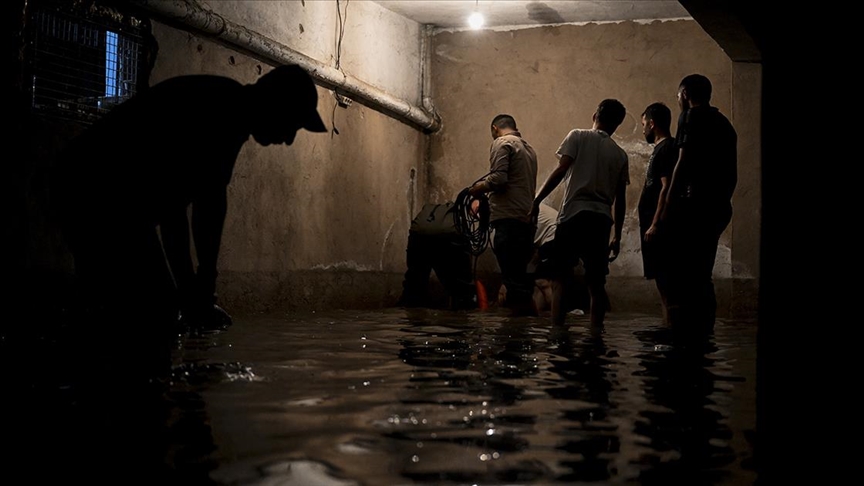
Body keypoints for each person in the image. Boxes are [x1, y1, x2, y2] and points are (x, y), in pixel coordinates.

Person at [51, 64, 327, 332]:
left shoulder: (231, 111)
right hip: (95, 192)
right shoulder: (222, 111)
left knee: (125, 307)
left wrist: (203, 284)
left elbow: (210, 204)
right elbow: (175, 211)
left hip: (99, 193)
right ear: (275, 104)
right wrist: (192, 291)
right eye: (293, 123)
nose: (290, 139)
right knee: (154, 308)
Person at [530, 99, 629, 327]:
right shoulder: (620, 154)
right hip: (601, 219)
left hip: (574, 215)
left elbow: (560, 170)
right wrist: (618, 235)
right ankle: (596, 336)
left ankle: (557, 333)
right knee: (596, 284)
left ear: (595, 115)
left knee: (560, 279)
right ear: (617, 124)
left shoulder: (578, 136)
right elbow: (620, 199)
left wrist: (537, 200)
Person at [658, 74, 737, 332]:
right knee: (703, 272)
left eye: (678, 94)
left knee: (683, 273)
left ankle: (685, 331)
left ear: (685, 94)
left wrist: (669, 201)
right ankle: (705, 330)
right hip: (718, 207)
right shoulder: (725, 124)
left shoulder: (691, 116)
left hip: (694, 206)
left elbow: (683, 161)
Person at [468, 114, 539, 316]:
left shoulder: (502, 143)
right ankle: (527, 333)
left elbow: (499, 179)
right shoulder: (528, 149)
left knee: (513, 283)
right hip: (525, 221)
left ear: (494, 128)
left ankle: (517, 337)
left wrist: (476, 189)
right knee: (520, 282)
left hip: (508, 222)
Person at [397, 200, 479, 310]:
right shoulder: (457, 220)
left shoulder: (433, 211)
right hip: (447, 237)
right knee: (461, 290)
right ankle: (462, 313)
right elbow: (463, 270)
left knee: (414, 283)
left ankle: (408, 312)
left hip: (419, 235)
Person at [638, 102, 677, 324]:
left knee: (667, 289)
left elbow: (666, 187)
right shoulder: (662, 149)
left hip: (659, 230)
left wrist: (655, 224)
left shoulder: (666, 149)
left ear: (652, 124)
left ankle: (670, 332)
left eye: (644, 124)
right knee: (664, 288)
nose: (644, 129)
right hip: (655, 227)